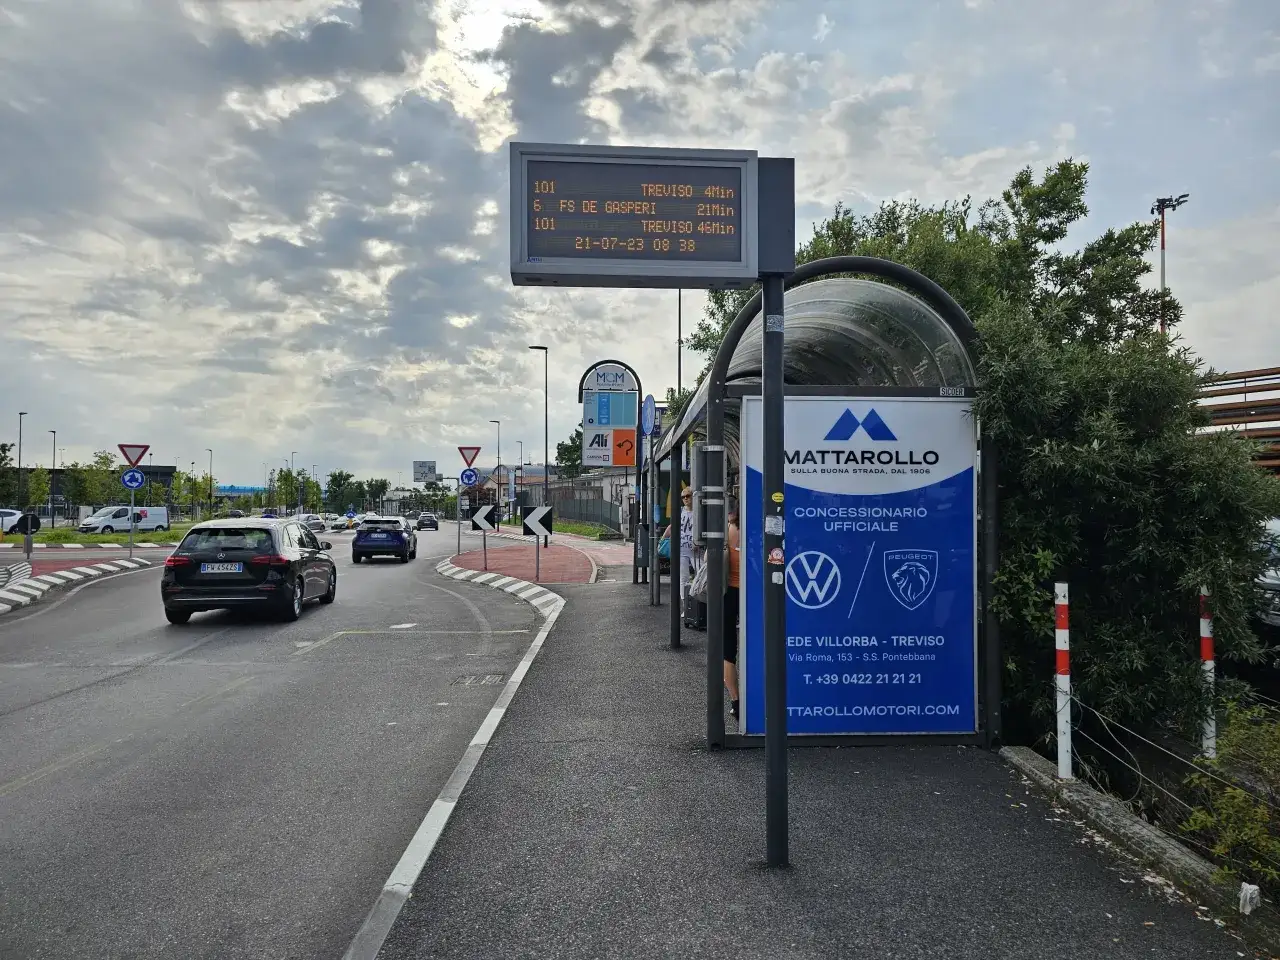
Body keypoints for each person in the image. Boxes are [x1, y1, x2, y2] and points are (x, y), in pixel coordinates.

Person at [724, 498, 741, 718]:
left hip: (729, 592)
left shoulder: (728, 530)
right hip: (754, 594)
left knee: (727, 650)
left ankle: (736, 701)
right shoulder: (755, 528)